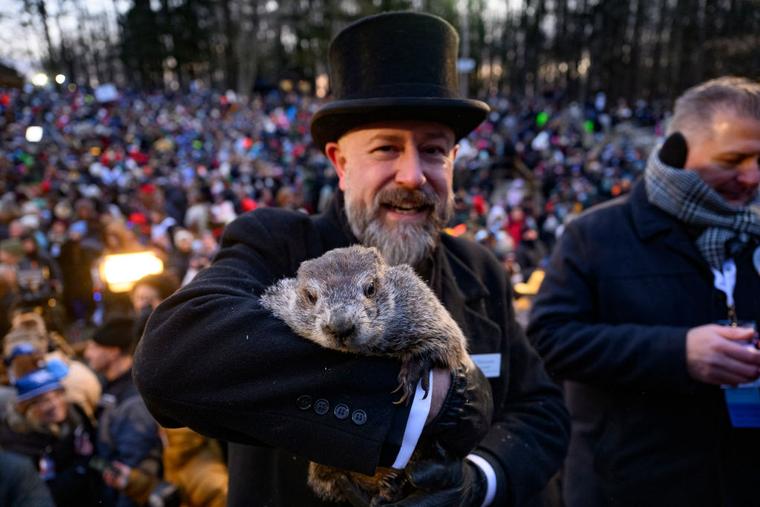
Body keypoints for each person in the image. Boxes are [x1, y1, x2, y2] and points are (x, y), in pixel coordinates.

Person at [135, 11, 568, 507]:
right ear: (341, 163)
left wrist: (475, 480)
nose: (412, 175)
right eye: (386, 148)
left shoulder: (480, 268)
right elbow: (170, 360)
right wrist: (425, 409)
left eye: (433, 151)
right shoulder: (275, 244)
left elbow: (541, 411)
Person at [527, 76, 760, 506]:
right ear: (677, 152)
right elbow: (548, 340)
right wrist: (678, 353)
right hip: (627, 487)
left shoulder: (753, 234)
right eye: (734, 159)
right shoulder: (595, 234)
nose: (751, 177)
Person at [84, 317, 163, 507]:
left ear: (113, 352)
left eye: (94, 347)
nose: (87, 353)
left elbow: (131, 474)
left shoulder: (134, 402)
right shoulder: (106, 383)